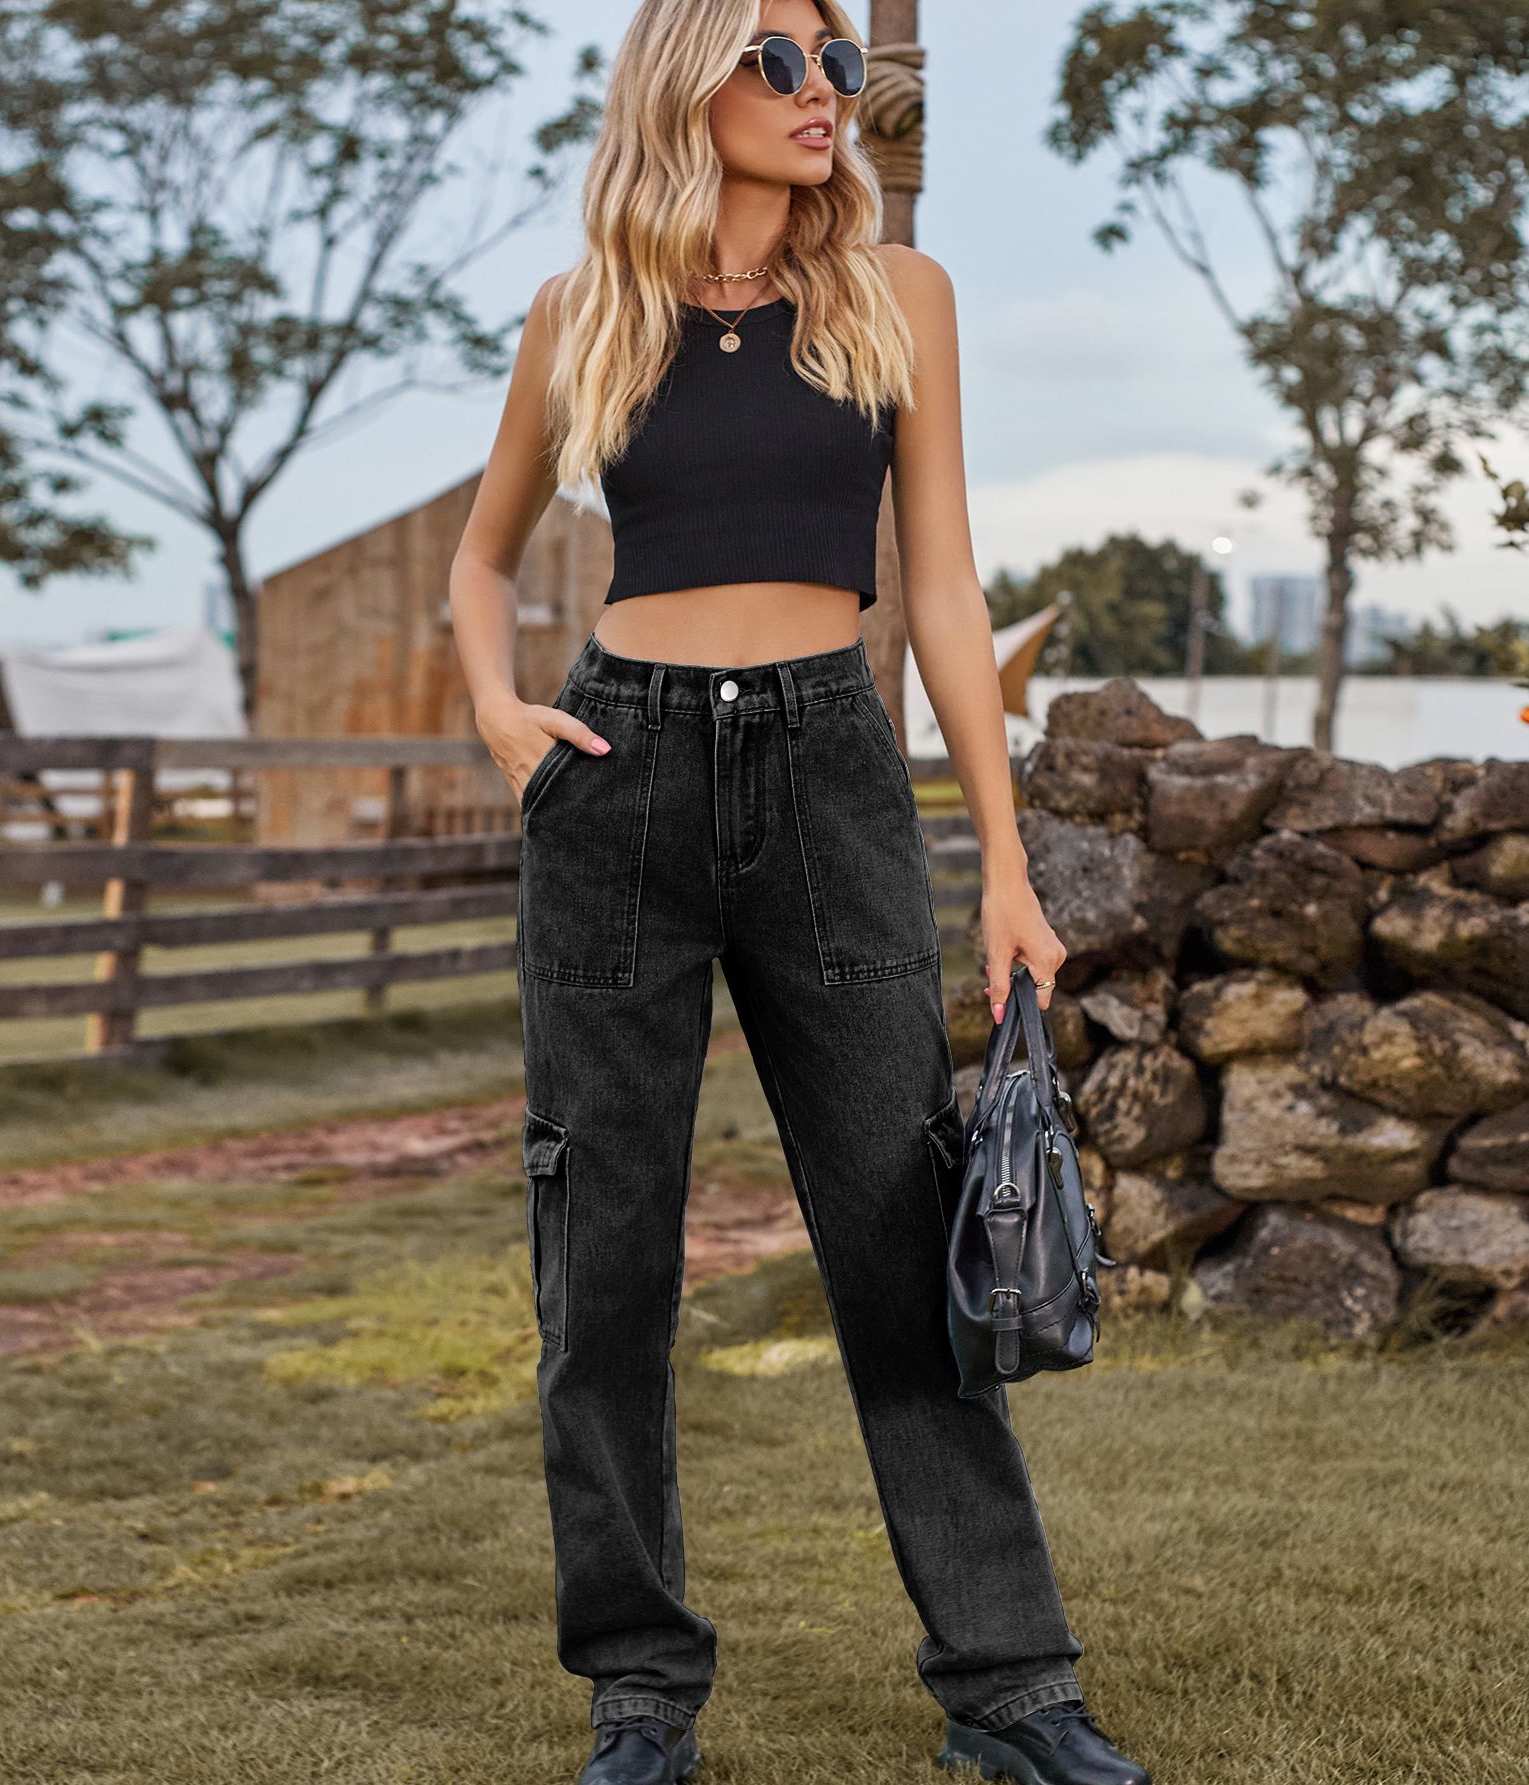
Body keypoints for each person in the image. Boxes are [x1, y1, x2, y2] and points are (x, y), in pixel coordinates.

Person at [448, 4, 1151, 1782]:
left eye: (833, 58)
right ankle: (638, 1689)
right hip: (614, 779)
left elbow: (943, 593)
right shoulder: (581, 308)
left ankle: (1009, 1689)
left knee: (900, 1236)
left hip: (831, 771)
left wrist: (1001, 858)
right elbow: (479, 553)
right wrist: (497, 709)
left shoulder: (896, 297)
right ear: (682, 77)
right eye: (775, 57)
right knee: (599, 1252)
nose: (820, 89)